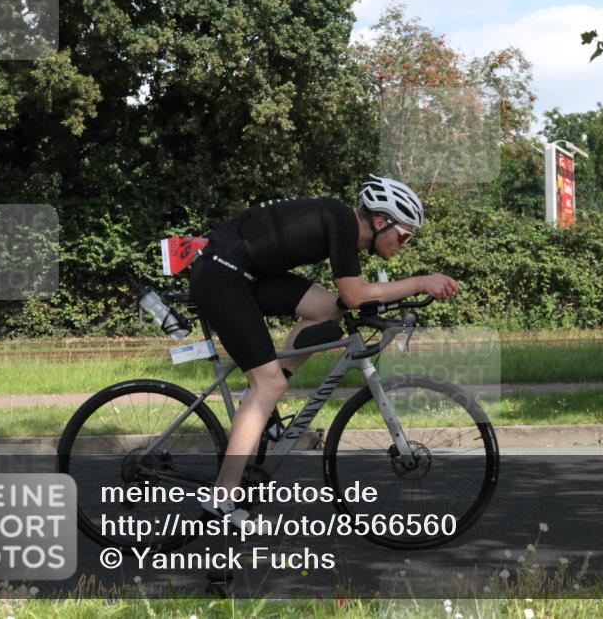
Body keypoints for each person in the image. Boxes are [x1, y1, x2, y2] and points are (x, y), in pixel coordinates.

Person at [189, 175, 461, 526]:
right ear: (381, 221)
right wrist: (421, 282)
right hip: (223, 275)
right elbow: (356, 295)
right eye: (404, 235)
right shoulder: (342, 220)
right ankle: (222, 495)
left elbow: (348, 300)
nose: (404, 245)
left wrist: (391, 300)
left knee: (328, 310)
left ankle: (259, 404)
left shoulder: (342, 224)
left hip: (244, 272)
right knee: (268, 385)